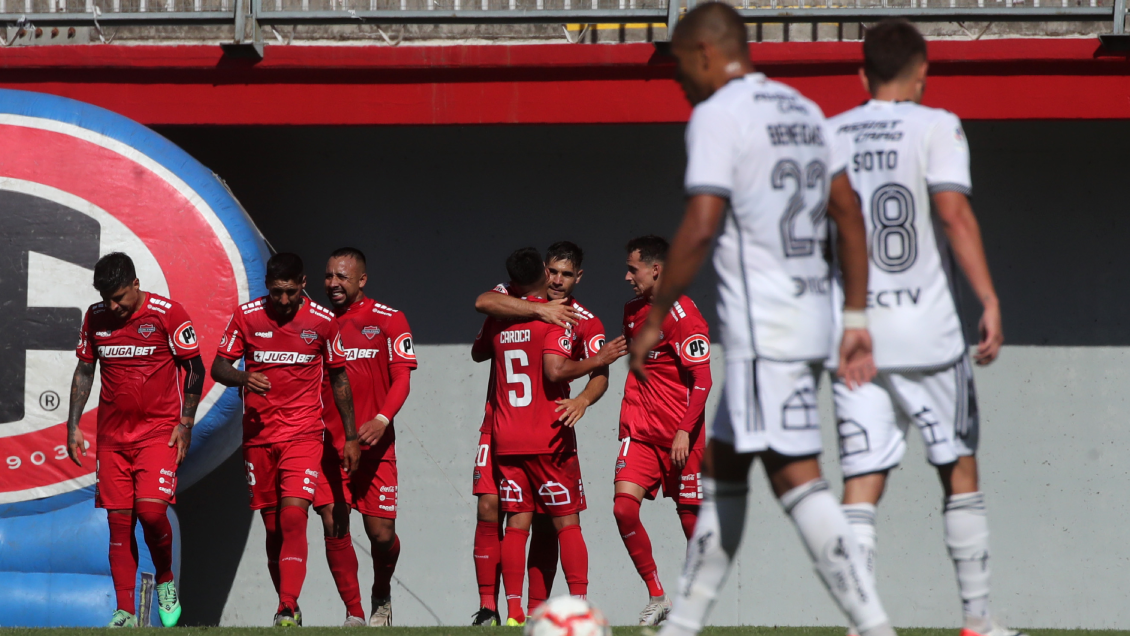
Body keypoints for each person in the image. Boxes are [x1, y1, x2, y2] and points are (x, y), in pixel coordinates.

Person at [636, 5, 897, 636]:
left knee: (796, 477)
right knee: (721, 472)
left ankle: (874, 625)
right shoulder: (805, 111)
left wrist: (655, 317)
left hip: (765, 330)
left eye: (677, 63)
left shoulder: (719, 116)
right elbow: (850, 216)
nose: (677, 79)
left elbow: (699, 227)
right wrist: (854, 314)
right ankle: (683, 623)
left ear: (704, 51)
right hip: (808, 318)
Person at [828, 20, 1020, 636]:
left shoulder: (829, 135)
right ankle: (977, 620)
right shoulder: (937, 125)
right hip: (931, 334)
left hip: (856, 335)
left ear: (861, 75)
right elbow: (953, 210)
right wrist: (988, 297)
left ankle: (865, 624)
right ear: (922, 72)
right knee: (958, 466)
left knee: (861, 481)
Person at [471, 247, 627, 627]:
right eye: (553, 272)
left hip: (515, 432)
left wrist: (584, 400)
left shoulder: (583, 320)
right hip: (539, 434)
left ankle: (521, 611)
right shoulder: (526, 307)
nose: (558, 280)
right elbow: (563, 368)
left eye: (566, 275)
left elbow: (599, 378)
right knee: (547, 519)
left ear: (579, 277)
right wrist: (542, 312)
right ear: (544, 271)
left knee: (526, 523)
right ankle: (512, 609)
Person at [210, 252, 360, 627]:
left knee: (295, 515)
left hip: (303, 434)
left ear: (303, 284)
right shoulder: (247, 317)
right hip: (259, 438)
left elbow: (340, 379)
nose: (283, 301)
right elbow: (218, 366)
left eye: (290, 292)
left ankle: (287, 608)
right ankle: (288, 603)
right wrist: (244, 378)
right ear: (267, 288)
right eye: (276, 292)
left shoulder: (323, 322)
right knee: (274, 527)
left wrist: (352, 437)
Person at [66, 252, 202, 628]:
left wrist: (186, 423)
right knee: (118, 522)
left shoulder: (167, 314)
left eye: (120, 298)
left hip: (159, 433)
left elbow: (194, 366)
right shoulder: (95, 318)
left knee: (152, 513)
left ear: (137, 285)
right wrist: (73, 424)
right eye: (107, 299)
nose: (113, 306)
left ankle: (164, 579)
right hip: (112, 439)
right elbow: (84, 369)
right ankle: (124, 610)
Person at [312, 247, 417, 627]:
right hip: (327, 446)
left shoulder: (389, 319)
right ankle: (355, 613)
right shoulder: (317, 322)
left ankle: (381, 594)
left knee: (381, 534)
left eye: (341, 276)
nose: (333, 284)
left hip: (375, 446)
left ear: (362, 280)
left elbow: (403, 377)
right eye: (328, 276)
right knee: (332, 521)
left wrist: (383, 418)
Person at [616, 235, 712, 626]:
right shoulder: (633, 311)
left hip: (680, 436)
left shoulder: (684, 315)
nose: (627, 276)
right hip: (638, 431)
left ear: (656, 269)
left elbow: (702, 379)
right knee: (623, 509)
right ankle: (657, 596)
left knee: (691, 521)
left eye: (633, 268)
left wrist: (685, 431)